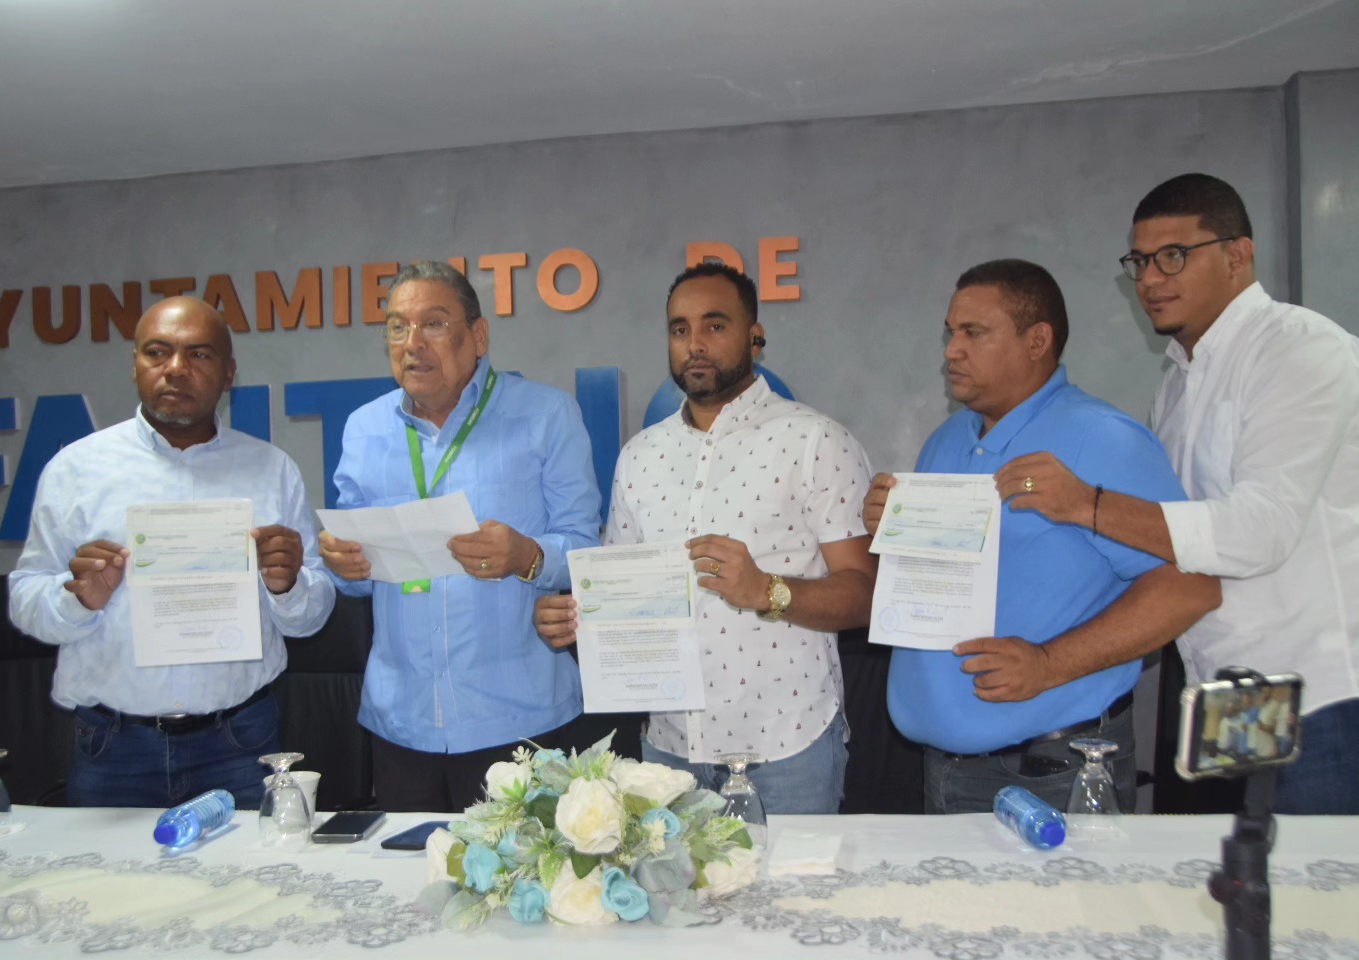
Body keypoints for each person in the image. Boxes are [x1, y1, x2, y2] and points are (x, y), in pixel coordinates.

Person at [993, 174, 1359, 814]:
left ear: (1237, 255)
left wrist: (1086, 505)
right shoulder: (1177, 385)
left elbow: (1260, 532)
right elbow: (1163, 546)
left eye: (1174, 256)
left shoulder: (1300, 349)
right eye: (1139, 261)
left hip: (1320, 700)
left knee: (1312, 882)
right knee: (1236, 874)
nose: (1151, 279)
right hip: (1225, 699)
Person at [863, 259, 1219, 814]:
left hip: (1051, 771)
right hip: (939, 770)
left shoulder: (1103, 439)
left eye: (973, 333)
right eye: (950, 332)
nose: (951, 350)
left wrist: (1049, 663)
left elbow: (1191, 587)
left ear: (1037, 341)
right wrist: (890, 530)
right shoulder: (946, 440)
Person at [533, 263, 876, 813]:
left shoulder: (816, 440)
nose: (695, 344)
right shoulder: (639, 456)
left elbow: (865, 593)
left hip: (787, 750)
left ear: (754, 336)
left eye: (715, 326)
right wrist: (576, 620)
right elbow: (623, 602)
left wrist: (768, 590)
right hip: (667, 756)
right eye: (679, 329)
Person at [8, 296, 335, 808]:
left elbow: (309, 620)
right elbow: (25, 599)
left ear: (228, 375)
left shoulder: (271, 469)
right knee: (105, 868)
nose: (176, 369)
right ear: (135, 365)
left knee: (257, 865)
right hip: (113, 748)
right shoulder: (76, 470)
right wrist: (77, 599)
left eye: (198, 354)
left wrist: (289, 586)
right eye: (157, 352)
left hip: (240, 742)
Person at [319, 260, 604, 812]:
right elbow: (354, 580)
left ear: (478, 336)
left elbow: (588, 550)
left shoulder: (547, 415)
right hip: (402, 723)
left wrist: (528, 556)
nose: (412, 343)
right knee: (411, 871)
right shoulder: (364, 428)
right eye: (397, 327)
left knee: (524, 870)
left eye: (433, 323)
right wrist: (341, 562)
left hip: (520, 720)